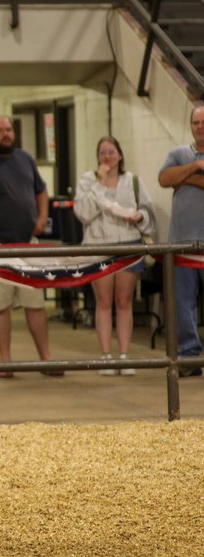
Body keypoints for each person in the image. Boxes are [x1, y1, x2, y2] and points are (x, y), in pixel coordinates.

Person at [0, 116, 58, 378]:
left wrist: (42, 218)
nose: (6, 134)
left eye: (9, 129)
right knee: (0, 305)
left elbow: (41, 190)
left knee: (35, 303)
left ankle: (46, 359)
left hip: (26, 243)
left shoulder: (25, 159)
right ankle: (6, 362)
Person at [74, 137, 157, 376]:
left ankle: (124, 355)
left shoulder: (132, 181)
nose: (107, 156)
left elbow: (147, 211)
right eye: (102, 152)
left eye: (111, 152)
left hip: (128, 246)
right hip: (98, 247)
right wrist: (99, 182)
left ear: (120, 155)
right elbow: (83, 213)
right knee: (103, 302)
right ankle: (106, 356)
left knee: (124, 301)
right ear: (97, 156)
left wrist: (139, 217)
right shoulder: (87, 181)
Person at [158, 104, 204, 378]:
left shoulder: (180, 164)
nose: (200, 127)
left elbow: (177, 179)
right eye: (196, 122)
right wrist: (196, 167)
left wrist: (186, 180)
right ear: (190, 126)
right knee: (182, 304)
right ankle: (189, 356)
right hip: (181, 244)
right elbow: (165, 179)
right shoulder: (178, 153)